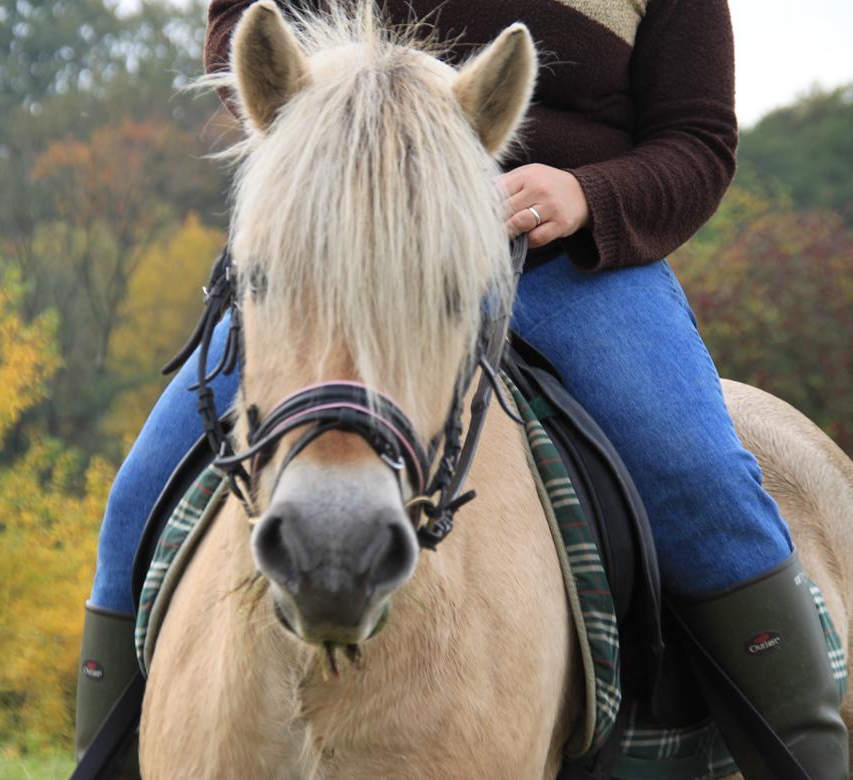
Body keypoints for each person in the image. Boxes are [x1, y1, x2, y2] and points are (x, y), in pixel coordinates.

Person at [75, 1, 849, 777]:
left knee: (699, 477)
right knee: (139, 496)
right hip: (337, 239)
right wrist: (345, 130)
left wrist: (588, 195)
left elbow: (697, 140)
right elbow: (246, 27)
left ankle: (806, 757)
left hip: (564, 258)